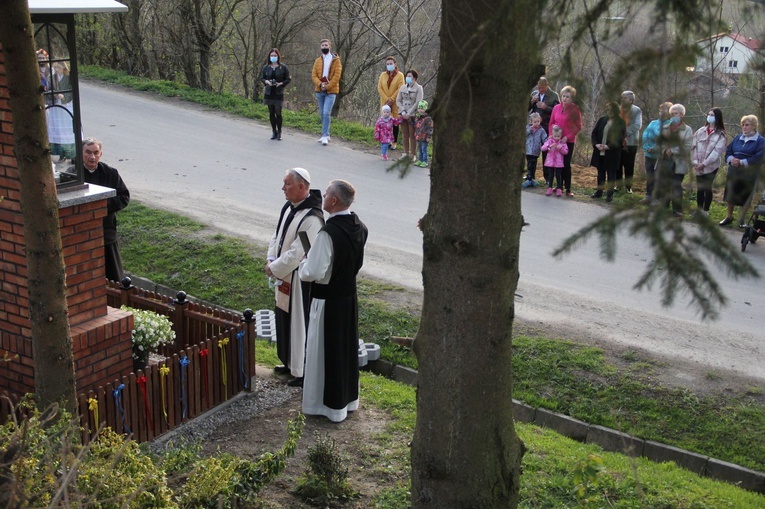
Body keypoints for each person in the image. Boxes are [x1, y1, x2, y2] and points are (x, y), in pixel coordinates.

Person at [299, 179, 368, 423]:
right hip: (348, 298)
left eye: (326, 193)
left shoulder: (328, 233)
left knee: (325, 353)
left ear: (334, 201)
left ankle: (324, 406)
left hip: (327, 301)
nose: (323, 195)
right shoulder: (360, 227)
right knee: (344, 350)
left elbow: (313, 272)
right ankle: (347, 401)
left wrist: (304, 263)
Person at [266, 168, 325, 387]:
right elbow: (278, 235)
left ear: (302, 187)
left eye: (287, 183)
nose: (283, 188)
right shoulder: (290, 207)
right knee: (283, 319)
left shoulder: (311, 219)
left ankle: (301, 370)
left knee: (298, 324)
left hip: (299, 281)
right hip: (284, 276)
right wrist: (271, 258)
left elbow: (299, 253)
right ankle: (289, 361)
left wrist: (275, 268)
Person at [79, 138, 130, 282]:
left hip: (106, 232)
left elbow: (123, 197)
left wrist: (102, 207)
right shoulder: (74, 174)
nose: (92, 157)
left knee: (113, 276)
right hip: (83, 233)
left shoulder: (111, 173)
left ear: (101, 154)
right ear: (81, 153)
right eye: (88, 152)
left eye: (96, 153)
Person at [720, 114, 765, 226]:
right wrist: (731, 159)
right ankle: (729, 217)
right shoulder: (737, 138)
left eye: (747, 125)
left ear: (754, 126)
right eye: (743, 125)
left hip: (748, 173)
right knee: (731, 194)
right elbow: (728, 151)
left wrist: (742, 162)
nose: (744, 127)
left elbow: (759, 157)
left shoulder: (760, 141)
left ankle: (741, 220)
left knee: (745, 196)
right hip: (734, 171)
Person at [655, 104, 693, 217]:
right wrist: (664, 150)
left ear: (681, 114)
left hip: (678, 162)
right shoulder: (665, 127)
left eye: (675, 113)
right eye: (672, 114)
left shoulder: (687, 130)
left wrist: (673, 150)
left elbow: (687, 146)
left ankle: (677, 210)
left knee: (676, 186)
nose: (673, 116)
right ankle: (663, 207)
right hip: (664, 160)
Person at [691, 108, 726, 217]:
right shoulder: (700, 131)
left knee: (707, 187)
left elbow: (716, 152)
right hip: (698, 164)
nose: (710, 117)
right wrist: (696, 162)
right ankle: (699, 210)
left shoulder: (720, 134)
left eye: (712, 115)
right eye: (709, 114)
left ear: (718, 118)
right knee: (700, 188)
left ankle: (705, 211)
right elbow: (693, 146)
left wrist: (704, 164)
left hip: (711, 166)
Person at [548, 85, 582, 197]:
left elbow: (578, 126)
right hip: (556, 140)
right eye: (563, 96)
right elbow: (551, 122)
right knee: (557, 164)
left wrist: (567, 137)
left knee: (566, 164)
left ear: (572, 98)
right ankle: (558, 186)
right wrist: (551, 135)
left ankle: (568, 188)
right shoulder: (556, 108)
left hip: (568, 141)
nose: (565, 98)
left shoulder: (575, 109)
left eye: (567, 97)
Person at [590, 102, 626, 202]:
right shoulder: (602, 119)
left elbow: (620, 138)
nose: (609, 112)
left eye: (611, 110)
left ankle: (609, 195)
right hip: (600, 151)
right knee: (600, 173)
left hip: (612, 153)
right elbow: (594, 133)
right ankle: (599, 192)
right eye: (608, 109)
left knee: (611, 174)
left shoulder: (620, 122)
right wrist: (596, 144)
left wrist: (608, 146)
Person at [640, 102, 673, 204]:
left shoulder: (670, 124)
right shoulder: (653, 123)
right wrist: (646, 147)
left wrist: (654, 148)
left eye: (664, 110)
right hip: (648, 155)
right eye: (660, 110)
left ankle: (657, 198)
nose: (661, 112)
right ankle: (648, 196)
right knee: (650, 176)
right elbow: (645, 135)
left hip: (660, 156)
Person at [529, 76, 560, 183]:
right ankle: (530, 176)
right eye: (538, 87)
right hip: (534, 127)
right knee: (532, 151)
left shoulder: (554, 95)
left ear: (547, 85)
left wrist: (545, 107)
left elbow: (557, 111)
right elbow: (528, 109)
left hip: (546, 126)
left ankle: (547, 177)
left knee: (546, 152)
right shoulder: (534, 94)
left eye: (542, 88)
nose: (540, 90)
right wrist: (532, 102)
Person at [312, 39, 342, 146]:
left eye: (326, 45)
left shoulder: (336, 60)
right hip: (320, 90)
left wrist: (328, 86)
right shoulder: (317, 61)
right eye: (323, 45)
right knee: (322, 113)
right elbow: (314, 75)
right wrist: (320, 84)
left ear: (330, 46)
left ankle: (324, 135)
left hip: (331, 91)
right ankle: (327, 133)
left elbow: (337, 76)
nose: (324, 47)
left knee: (326, 112)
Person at [260, 48, 291, 140]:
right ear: (269, 57)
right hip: (269, 92)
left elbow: (288, 79)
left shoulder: (283, 67)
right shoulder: (266, 67)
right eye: (272, 56)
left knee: (278, 112)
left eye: (275, 55)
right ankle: (274, 131)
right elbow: (262, 78)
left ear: (278, 56)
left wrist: (281, 83)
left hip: (278, 92)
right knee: (271, 112)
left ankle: (280, 132)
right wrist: (266, 82)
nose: (273, 57)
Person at [49, 61, 76, 162]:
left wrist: (64, 97)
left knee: (68, 128)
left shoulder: (68, 78)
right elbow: (49, 89)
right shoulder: (52, 77)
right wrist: (54, 95)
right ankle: (59, 153)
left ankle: (72, 154)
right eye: (55, 68)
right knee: (58, 128)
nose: (57, 70)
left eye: (59, 68)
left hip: (67, 104)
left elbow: (71, 90)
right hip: (56, 104)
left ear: (63, 68)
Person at [396, 69, 424, 162]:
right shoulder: (403, 87)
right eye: (407, 76)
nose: (408, 78)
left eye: (410, 76)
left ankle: (413, 154)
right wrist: (403, 111)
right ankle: (406, 153)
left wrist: (409, 113)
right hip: (403, 113)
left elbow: (418, 101)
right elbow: (398, 100)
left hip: (412, 114)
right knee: (405, 134)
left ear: (414, 78)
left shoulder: (418, 88)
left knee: (412, 135)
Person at [377, 56, 405, 150]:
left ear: (395, 64)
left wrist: (391, 99)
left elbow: (400, 88)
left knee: (394, 123)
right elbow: (380, 87)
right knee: (385, 122)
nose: (389, 65)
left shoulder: (400, 75)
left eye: (391, 63)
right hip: (384, 102)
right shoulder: (383, 75)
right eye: (387, 64)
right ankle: (385, 140)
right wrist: (386, 99)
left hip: (395, 102)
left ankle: (394, 142)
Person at [618, 91, 642, 193]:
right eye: (622, 98)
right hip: (617, 141)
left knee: (629, 165)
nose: (622, 100)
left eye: (625, 98)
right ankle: (617, 185)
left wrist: (624, 131)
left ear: (631, 100)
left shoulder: (637, 110)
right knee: (618, 164)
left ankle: (628, 187)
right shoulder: (618, 109)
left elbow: (637, 125)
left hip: (631, 142)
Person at [541, 125, 569, 197]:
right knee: (550, 175)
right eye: (555, 136)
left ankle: (559, 188)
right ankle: (549, 187)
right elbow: (543, 148)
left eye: (558, 136)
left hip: (559, 163)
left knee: (558, 175)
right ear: (552, 134)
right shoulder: (549, 141)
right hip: (550, 162)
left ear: (561, 135)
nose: (556, 138)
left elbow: (566, 152)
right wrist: (549, 146)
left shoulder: (562, 143)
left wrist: (560, 148)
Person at [523, 112, 548, 188]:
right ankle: (530, 179)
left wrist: (547, 143)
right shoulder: (528, 127)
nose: (537, 123)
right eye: (535, 122)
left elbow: (544, 139)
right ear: (531, 122)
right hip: (528, 150)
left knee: (533, 165)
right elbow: (525, 134)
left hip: (536, 151)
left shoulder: (541, 130)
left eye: (538, 121)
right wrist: (530, 128)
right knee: (529, 164)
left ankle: (530, 179)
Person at [414, 100, 433, 167]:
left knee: (424, 149)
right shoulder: (417, 117)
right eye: (419, 108)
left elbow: (430, 128)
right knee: (419, 149)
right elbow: (415, 125)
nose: (420, 110)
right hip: (418, 136)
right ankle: (420, 160)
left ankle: (425, 161)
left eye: (422, 108)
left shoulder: (428, 118)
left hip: (424, 137)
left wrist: (428, 137)